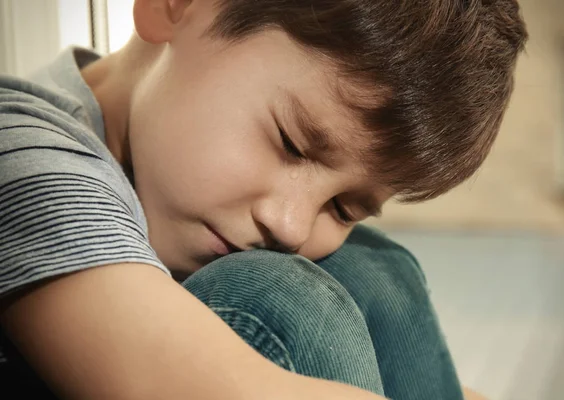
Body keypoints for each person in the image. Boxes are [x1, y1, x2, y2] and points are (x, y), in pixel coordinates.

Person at [0, 0, 527, 398]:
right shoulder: (18, 149)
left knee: (372, 268)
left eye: (342, 209)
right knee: (281, 295)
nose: (291, 226)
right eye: (292, 144)